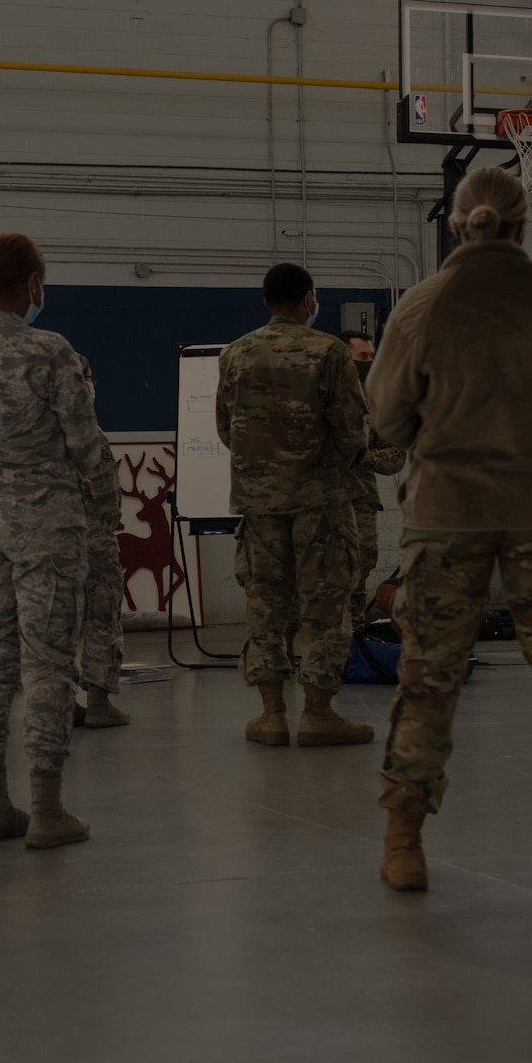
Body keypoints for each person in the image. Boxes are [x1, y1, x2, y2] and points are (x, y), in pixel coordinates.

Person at [365, 165, 532, 897]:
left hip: (446, 513)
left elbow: (386, 417)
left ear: (456, 225)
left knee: (427, 678)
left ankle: (404, 845)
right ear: (524, 226)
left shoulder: (421, 306)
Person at [0, 232, 116, 848]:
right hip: (46, 522)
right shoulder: (51, 350)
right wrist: (102, 494)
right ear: (35, 282)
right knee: (48, 659)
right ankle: (47, 809)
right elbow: (84, 441)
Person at [217, 265, 371, 748]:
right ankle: (320, 714)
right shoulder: (329, 351)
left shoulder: (235, 353)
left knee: (266, 605)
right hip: (320, 503)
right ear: (308, 299)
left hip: (260, 505)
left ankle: (271, 715)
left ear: (266, 301)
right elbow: (350, 430)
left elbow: (227, 427)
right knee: (324, 607)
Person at [72, 353, 130, 729]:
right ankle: (98, 702)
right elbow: (108, 502)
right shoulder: (89, 435)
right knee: (100, 619)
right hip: (92, 543)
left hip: (45, 548)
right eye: (90, 377)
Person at [341, 329, 406, 611]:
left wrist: (361, 456)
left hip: (361, 501)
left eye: (372, 356)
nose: (370, 361)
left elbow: (395, 458)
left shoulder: (379, 402)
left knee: (361, 566)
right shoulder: (316, 395)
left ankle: (354, 632)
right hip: (318, 501)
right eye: (362, 356)